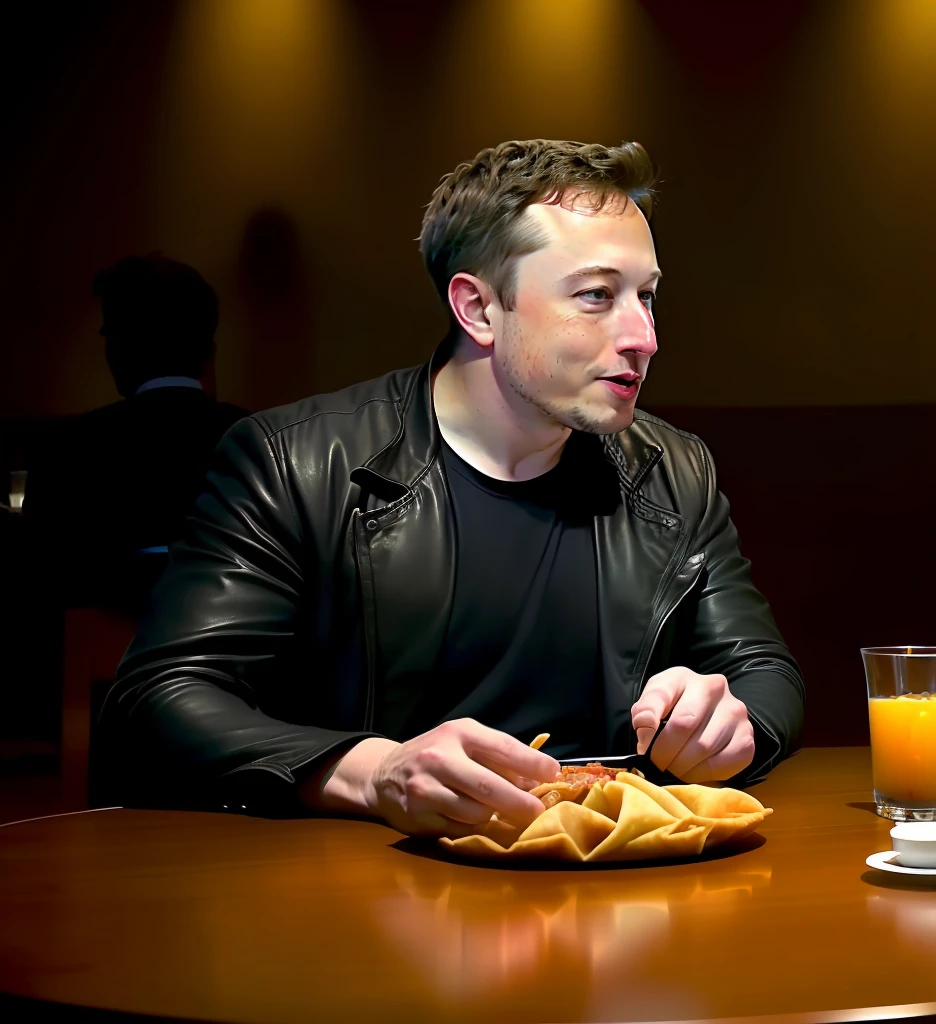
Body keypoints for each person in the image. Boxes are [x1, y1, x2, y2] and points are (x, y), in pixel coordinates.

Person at [97, 140, 805, 839]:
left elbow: (764, 671)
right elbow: (157, 702)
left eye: (646, 296)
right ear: (478, 309)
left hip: (614, 883)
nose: (643, 336)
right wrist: (372, 771)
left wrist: (729, 722)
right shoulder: (295, 463)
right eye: (596, 295)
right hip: (371, 891)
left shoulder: (674, 470)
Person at [25, 254, 246, 609]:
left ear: (118, 347)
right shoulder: (259, 442)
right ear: (208, 346)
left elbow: (40, 581)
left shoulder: (64, 449)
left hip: (96, 658)